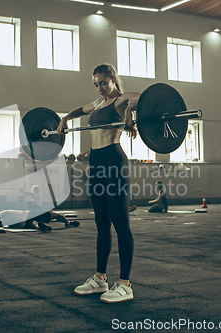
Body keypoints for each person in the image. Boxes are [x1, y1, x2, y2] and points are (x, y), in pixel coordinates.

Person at [56, 64, 139, 303]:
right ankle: (100, 278)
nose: (100, 87)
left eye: (103, 82)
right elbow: (79, 110)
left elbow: (143, 97)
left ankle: (125, 284)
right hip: (97, 163)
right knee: (101, 223)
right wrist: (65, 118)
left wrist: (130, 112)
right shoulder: (97, 104)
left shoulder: (120, 100)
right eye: (96, 84)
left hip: (113, 161)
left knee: (120, 223)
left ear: (113, 79)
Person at [0, 209, 79, 231]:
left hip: (25, 222)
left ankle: (39, 226)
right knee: (53, 214)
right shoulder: (4, 214)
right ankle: (68, 223)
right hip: (29, 214)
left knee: (34, 223)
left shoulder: (10, 225)